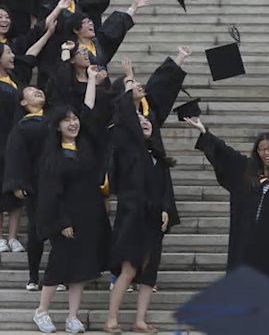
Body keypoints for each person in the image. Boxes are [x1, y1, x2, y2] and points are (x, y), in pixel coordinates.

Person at [104, 50, 190, 333]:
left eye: (148, 121)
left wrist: (166, 208)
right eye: (140, 120)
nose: (145, 121)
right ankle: (111, 318)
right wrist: (128, 79)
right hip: (133, 214)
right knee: (129, 268)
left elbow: (164, 185)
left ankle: (140, 319)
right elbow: (127, 115)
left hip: (154, 215)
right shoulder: (125, 144)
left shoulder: (156, 154)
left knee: (148, 273)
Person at [33, 66, 111, 334]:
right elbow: (51, 191)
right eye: (67, 120)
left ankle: (72, 316)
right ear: (57, 126)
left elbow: (87, 111)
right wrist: (62, 221)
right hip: (63, 218)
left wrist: (91, 80)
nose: (73, 123)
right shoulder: (53, 156)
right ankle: (42, 311)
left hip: (88, 214)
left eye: (74, 119)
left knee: (82, 267)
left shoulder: (84, 146)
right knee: (60, 264)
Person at [184, 117, 269, 282]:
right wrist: (204, 132)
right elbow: (226, 154)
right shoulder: (246, 171)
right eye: (261, 149)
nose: (266, 153)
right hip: (244, 240)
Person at [0, 23, 55, 254]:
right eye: (9, 53)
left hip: (15, 141)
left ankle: (12, 236)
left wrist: (48, 33)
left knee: (17, 188)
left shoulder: (13, 78)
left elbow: (30, 56)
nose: (13, 55)